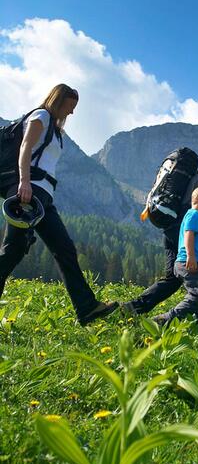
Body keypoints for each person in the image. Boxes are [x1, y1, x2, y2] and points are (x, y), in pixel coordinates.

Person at [0, 84, 118, 325]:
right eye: (70, 106)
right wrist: (24, 182)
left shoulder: (55, 130)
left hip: (42, 198)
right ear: (58, 99)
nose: (72, 113)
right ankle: (86, 307)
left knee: (64, 248)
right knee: (12, 251)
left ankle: (86, 308)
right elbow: (25, 148)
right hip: (28, 192)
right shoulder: (41, 115)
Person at [121, 155, 198, 333]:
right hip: (186, 233)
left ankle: (131, 309)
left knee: (172, 277)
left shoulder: (192, 176)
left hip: (171, 227)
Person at [152, 185, 198, 327]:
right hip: (190, 263)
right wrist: (191, 256)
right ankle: (165, 319)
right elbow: (189, 234)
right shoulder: (193, 215)